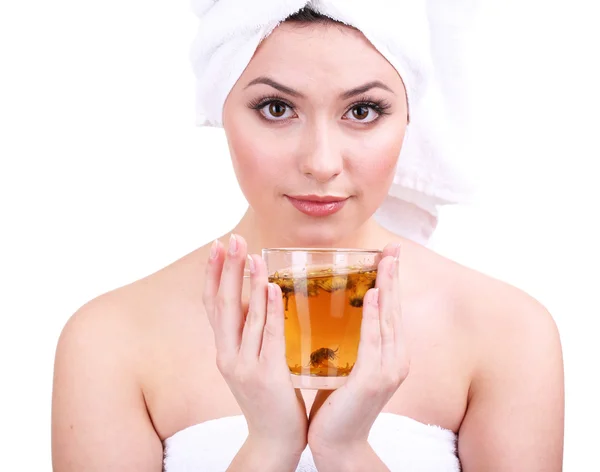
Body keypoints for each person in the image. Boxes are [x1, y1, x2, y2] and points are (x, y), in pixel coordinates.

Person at [51, 4, 565, 471]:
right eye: (277, 108)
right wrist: (269, 445)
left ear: (409, 116)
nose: (321, 163)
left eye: (362, 111)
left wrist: (345, 450)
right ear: (220, 110)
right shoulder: (111, 340)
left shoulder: (506, 331)